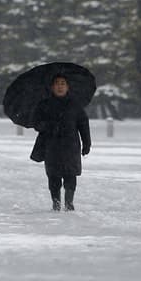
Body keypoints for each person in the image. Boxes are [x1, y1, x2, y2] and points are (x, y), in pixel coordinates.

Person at [32, 74, 91, 211]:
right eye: (57, 83)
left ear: (67, 87)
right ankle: (56, 202)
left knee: (71, 175)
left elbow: (83, 124)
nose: (60, 86)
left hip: (71, 145)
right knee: (54, 175)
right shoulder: (44, 104)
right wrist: (47, 125)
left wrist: (87, 143)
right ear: (52, 87)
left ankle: (69, 203)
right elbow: (36, 123)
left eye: (63, 83)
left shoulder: (75, 105)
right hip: (51, 145)